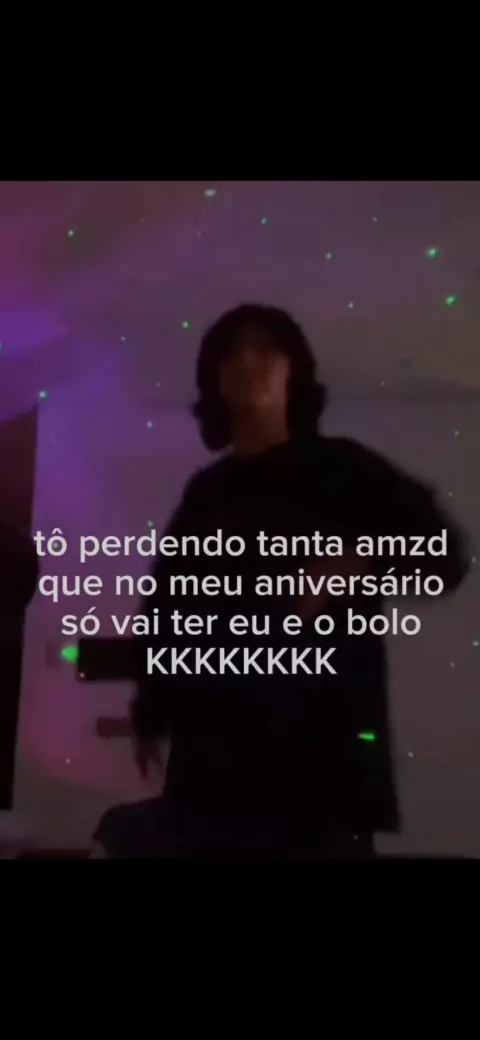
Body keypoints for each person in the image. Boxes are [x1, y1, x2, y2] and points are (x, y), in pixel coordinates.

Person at [94, 303, 469, 858]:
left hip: (321, 762)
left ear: (294, 368)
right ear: (214, 380)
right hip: (211, 766)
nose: (247, 361)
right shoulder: (207, 493)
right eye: (230, 353)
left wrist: (359, 560)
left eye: (265, 348)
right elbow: (168, 609)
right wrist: (151, 712)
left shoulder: (345, 470)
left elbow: (446, 557)